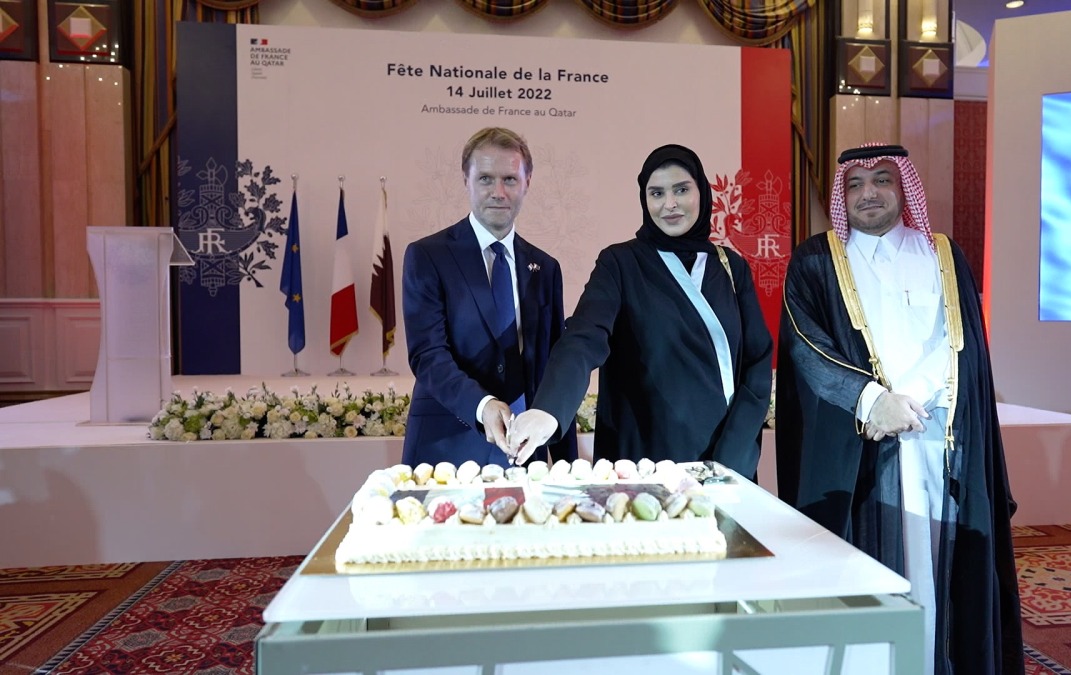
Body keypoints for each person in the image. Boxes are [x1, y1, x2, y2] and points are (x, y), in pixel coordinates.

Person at [775, 143, 1023, 674]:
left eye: (882, 180)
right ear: (841, 195)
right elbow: (805, 345)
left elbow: (962, 344)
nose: (869, 194)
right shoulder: (817, 260)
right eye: (855, 185)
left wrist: (915, 399)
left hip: (938, 440)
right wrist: (873, 401)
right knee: (866, 565)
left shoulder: (941, 253)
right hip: (860, 445)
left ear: (903, 188)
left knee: (941, 566)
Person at [506, 144, 773, 478]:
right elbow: (583, 338)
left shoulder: (731, 267)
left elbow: (757, 365)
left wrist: (735, 453)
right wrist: (548, 410)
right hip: (644, 463)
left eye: (681, 190)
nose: (670, 204)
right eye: (656, 193)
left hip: (725, 460)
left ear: (703, 193)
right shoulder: (621, 263)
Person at [401, 127, 575, 467]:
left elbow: (554, 366)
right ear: (466, 180)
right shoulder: (427, 256)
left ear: (528, 182)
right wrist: (483, 406)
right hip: (447, 451)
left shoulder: (546, 268)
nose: (498, 192)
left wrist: (565, 461)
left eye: (510, 179)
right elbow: (428, 356)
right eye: (485, 179)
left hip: (525, 455)